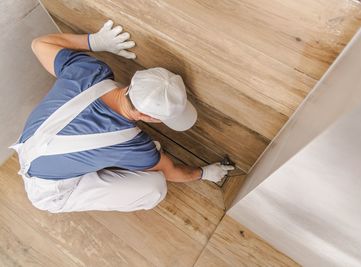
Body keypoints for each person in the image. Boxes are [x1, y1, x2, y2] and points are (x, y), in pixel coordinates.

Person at [10, 20, 234, 213]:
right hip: (50, 191)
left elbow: (40, 44)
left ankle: (96, 163)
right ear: (146, 116)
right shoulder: (132, 145)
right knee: (154, 188)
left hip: (30, 145)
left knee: (126, 161)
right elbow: (172, 172)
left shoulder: (90, 71)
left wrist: (94, 42)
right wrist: (204, 173)